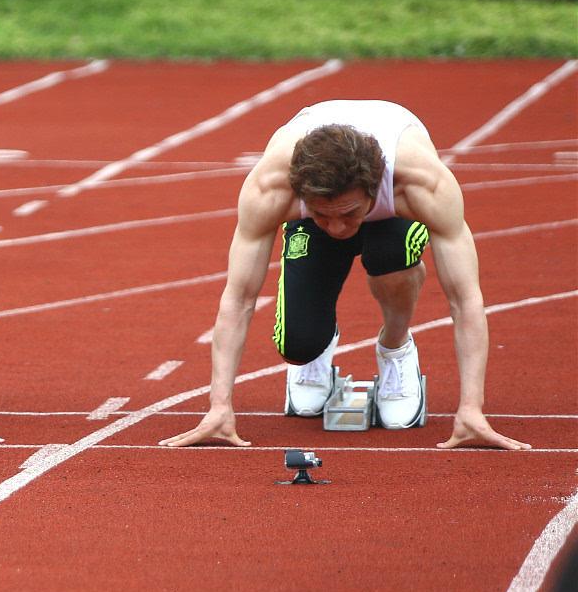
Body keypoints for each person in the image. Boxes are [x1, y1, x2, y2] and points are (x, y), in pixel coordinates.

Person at [162, 99, 529, 451]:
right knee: (299, 344)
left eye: (348, 214)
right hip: (327, 198)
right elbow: (239, 298)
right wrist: (219, 406)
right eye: (323, 215)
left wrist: (471, 409)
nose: (337, 228)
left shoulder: (422, 183)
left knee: (389, 253)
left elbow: (465, 300)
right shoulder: (270, 188)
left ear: (372, 189)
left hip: (392, 215)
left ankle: (396, 347)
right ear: (301, 194)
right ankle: (319, 343)